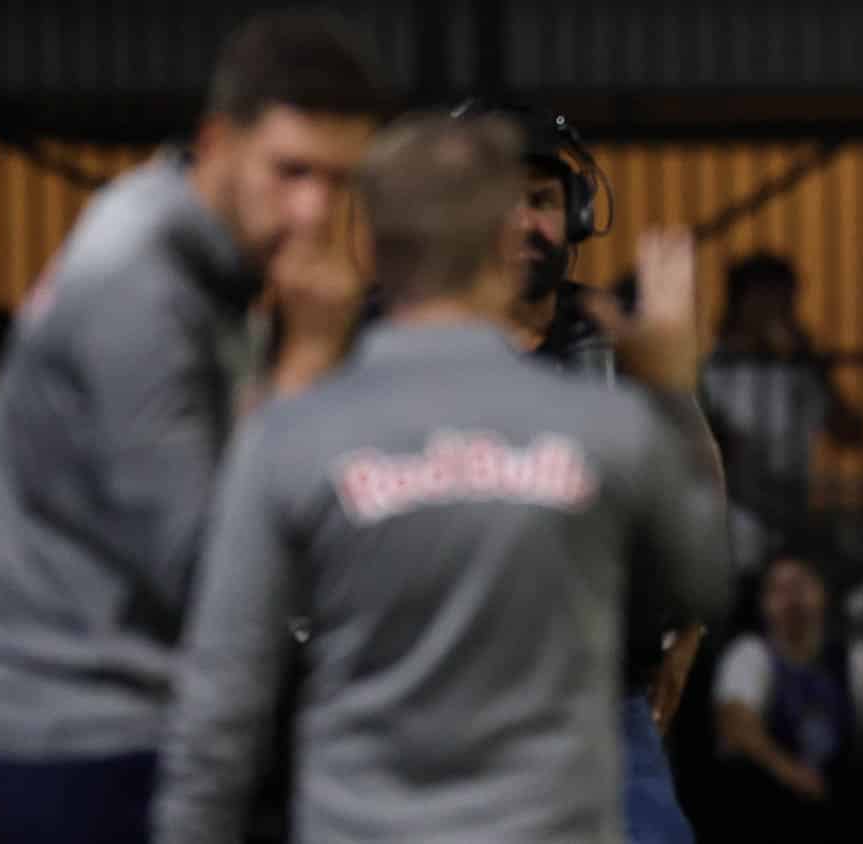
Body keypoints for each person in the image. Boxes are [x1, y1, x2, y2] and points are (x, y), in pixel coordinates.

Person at [151, 111, 729, 844]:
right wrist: (672, 391)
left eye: (546, 200)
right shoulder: (601, 422)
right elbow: (704, 571)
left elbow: (221, 693)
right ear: (495, 246)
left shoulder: (293, 429)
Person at [0, 13, 381, 844]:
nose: (314, 209)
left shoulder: (215, 254)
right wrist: (311, 361)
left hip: (118, 714)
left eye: (339, 179)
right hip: (72, 738)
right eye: (291, 171)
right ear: (218, 142)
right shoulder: (139, 286)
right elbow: (217, 573)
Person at [450, 99, 722, 844]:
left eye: (539, 200)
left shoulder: (618, 343)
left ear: (574, 213)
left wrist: (686, 634)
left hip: (598, 705)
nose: (520, 223)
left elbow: (698, 480)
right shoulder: (399, 345)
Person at [700, 253, 863, 569]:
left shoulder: (797, 370)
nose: (773, 312)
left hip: (792, 512)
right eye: (763, 302)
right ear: (739, 305)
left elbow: (851, 433)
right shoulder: (714, 370)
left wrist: (812, 364)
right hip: (731, 515)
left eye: (782, 302)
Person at [711, 551, 857, 843]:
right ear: (764, 604)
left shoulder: (849, 660)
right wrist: (793, 774)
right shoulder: (751, 655)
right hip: (770, 816)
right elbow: (736, 726)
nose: (792, 599)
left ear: (823, 593)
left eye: (800, 586)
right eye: (779, 590)